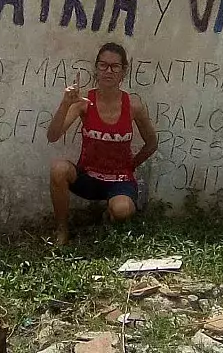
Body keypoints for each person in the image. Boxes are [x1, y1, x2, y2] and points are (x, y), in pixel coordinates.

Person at [47, 42, 158, 245]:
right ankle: (62, 230)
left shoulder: (134, 105)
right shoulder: (83, 102)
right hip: (88, 178)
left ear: (123, 71)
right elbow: (53, 135)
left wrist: (130, 166)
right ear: (96, 68)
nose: (108, 71)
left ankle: (110, 214)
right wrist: (65, 104)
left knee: (123, 211)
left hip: (119, 181)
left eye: (115, 66)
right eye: (103, 65)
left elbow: (151, 143)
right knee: (58, 170)